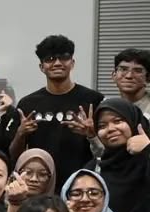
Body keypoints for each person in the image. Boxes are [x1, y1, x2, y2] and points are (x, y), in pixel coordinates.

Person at [15, 33, 102, 174]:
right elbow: (14, 155)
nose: (57, 63)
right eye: (50, 59)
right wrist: (20, 134)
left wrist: (91, 134)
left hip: (81, 180)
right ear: (41, 67)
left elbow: (106, 151)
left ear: (72, 63)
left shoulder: (93, 100)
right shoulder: (27, 104)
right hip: (41, 181)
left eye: (64, 57)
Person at [94, 98, 150, 212]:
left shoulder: (146, 160)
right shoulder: (94, 169)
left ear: (134, 122)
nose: (110, 129)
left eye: (118, 121)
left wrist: (148, 149)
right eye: (102, 126)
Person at [108, 47, 150, 117]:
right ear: (114, 75)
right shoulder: (108, 108)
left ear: (148, 78)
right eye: (123, 69)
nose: (129, 76)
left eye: (137, 71)